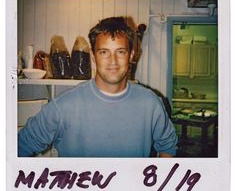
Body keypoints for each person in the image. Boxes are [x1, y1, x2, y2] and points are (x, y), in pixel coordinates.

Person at [18, 17, 178, 157]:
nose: (113, 60)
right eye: (104, 52)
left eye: (120, 52)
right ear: (93, 56)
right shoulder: (63, 107)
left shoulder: (150, 103)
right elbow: (18, 148)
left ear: (131, 55)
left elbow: (168, 146)